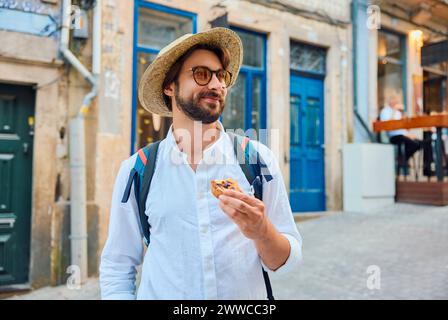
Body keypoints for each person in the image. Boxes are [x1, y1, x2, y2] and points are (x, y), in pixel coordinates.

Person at [99, 27, 302, 300]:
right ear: (169, 86)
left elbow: (287, 262)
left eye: (222, 76)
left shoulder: (256, 160)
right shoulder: (138, 170)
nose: (217, 85)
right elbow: (118, 264)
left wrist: (262, 231)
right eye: (202, 74)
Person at [379, 95, 422, 165]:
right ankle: (402, 159)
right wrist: (394, 111)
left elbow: (402, 128)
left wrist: (408, 134)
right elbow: (389, 125)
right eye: (393, 100)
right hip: (393, 136)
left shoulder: (398, 113)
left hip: (402, 135)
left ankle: (403, 158)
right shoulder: (385, 111)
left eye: (395, 100)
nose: (395, 102)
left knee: (419, 143)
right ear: (389, 101)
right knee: (413, 144)